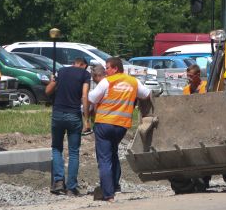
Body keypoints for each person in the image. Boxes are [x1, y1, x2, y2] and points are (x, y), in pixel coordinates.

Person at [88, 57, 151, 202]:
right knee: (113, 153)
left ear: (115, 68)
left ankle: (108, 194)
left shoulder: (107, 81)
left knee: (104, 159)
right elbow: (147, 95)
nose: (105, 71)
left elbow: (92, 98)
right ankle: (115, 185)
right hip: (121, 126)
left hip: (104, 123)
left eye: (107, 68)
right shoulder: (133, 81)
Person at [44, 57, 91, 196]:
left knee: (57, 148)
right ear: (83, 65)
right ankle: (71, 187)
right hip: (74, 115)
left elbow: (48, 91)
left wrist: (53, 80)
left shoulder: (61, 71)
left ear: (73, 63)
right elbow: (84, 96)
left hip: (57, 114)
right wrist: (87, 119)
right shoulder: (84, 74)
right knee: (73, 152)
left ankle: (58, 182)